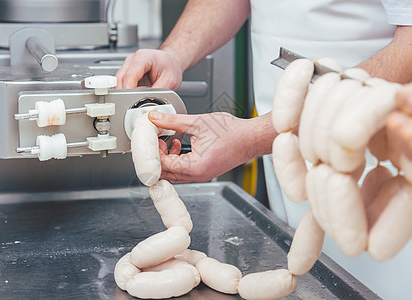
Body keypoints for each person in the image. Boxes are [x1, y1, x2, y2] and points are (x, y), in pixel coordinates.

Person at [116, 1, 412, 299]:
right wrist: (174, 54)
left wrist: (250, 137)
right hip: (283, 151)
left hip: (381, 152)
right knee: (311, 279)